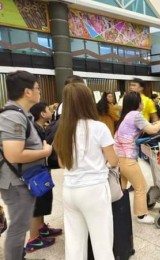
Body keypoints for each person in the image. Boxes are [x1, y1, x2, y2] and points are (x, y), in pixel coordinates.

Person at [53, 83, 117, 260]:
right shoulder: (98, 128)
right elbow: (113, 160)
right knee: (102, 243)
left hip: (70, 190)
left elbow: (62, 163)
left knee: (74, 244)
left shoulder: (63, 130)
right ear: (89, 101)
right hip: (94, 190)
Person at [0, 71, 53, 260]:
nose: (40, 92)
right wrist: (45, 152)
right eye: (37, 88)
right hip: (15, 182)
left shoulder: (22, 114)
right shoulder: (13, 116)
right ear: (27, 92)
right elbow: (13, 154)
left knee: (20, 224)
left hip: (23, 179)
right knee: (19, 227)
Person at [114, 93, 160, 225]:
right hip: (128, 158)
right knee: (140, 187)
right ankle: (141, 215)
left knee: (122, 187)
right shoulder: (135, 115)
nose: (143, 103)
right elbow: (152, 130)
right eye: (141, 101)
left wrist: (155, 123)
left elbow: (145, 127)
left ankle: (118, 211)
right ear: (137, 103)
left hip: (119, 157)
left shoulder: (126, 116)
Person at [26, 102, 62, 252]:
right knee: (37, 203)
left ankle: (41, 228)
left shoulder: (40, 127)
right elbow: (40, 149)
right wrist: (47, 150)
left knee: (43, 200)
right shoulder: (35, 129)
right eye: (48, 110)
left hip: (41, 169)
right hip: (35, 171)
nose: (51, 111)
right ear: (42, 114)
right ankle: (33, 239)